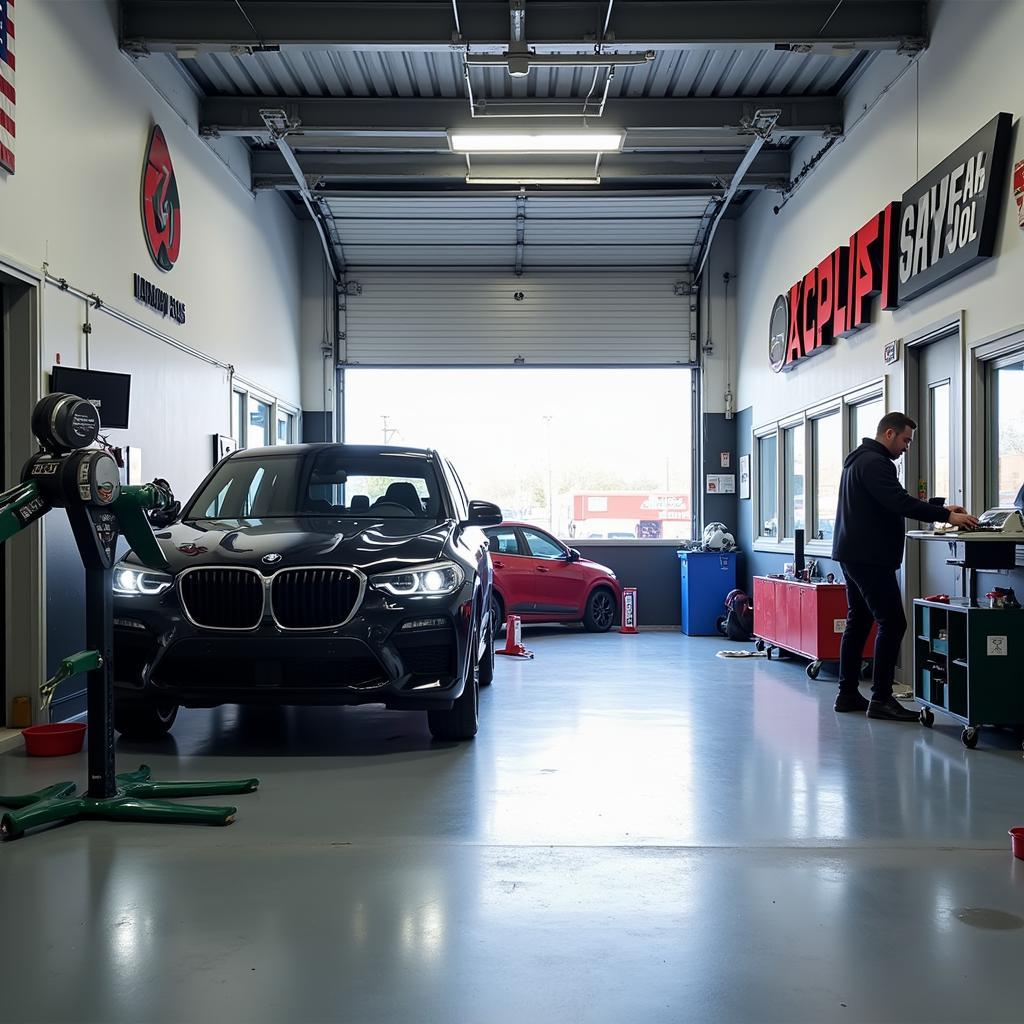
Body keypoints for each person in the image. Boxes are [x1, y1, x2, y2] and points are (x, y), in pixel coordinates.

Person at [831, 412, 978, 720]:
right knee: (893, 623)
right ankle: (881, 698)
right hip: (870, 558)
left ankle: (846, 694)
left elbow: (892, 500)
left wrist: (939, 506)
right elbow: (899, 502)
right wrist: (947, 517)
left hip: (853, 554)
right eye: (905, 440)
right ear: (888, 434)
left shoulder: (861, 461)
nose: (906, 447)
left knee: (858, 621)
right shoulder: (875, 463)